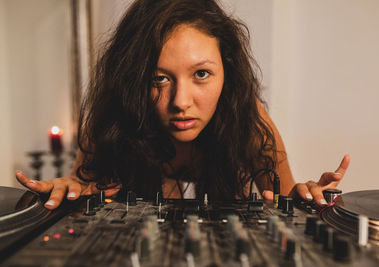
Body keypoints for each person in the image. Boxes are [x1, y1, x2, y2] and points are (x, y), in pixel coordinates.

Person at [16, 0, 350, 210]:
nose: (181, 102)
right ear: (133, 78)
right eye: (158, 78)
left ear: (227, 72)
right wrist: (69, 191)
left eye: (202, 74)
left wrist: (308, 197)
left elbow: (285, 200)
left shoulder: (247, 119)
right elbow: (80, 184)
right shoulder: (111, 119)